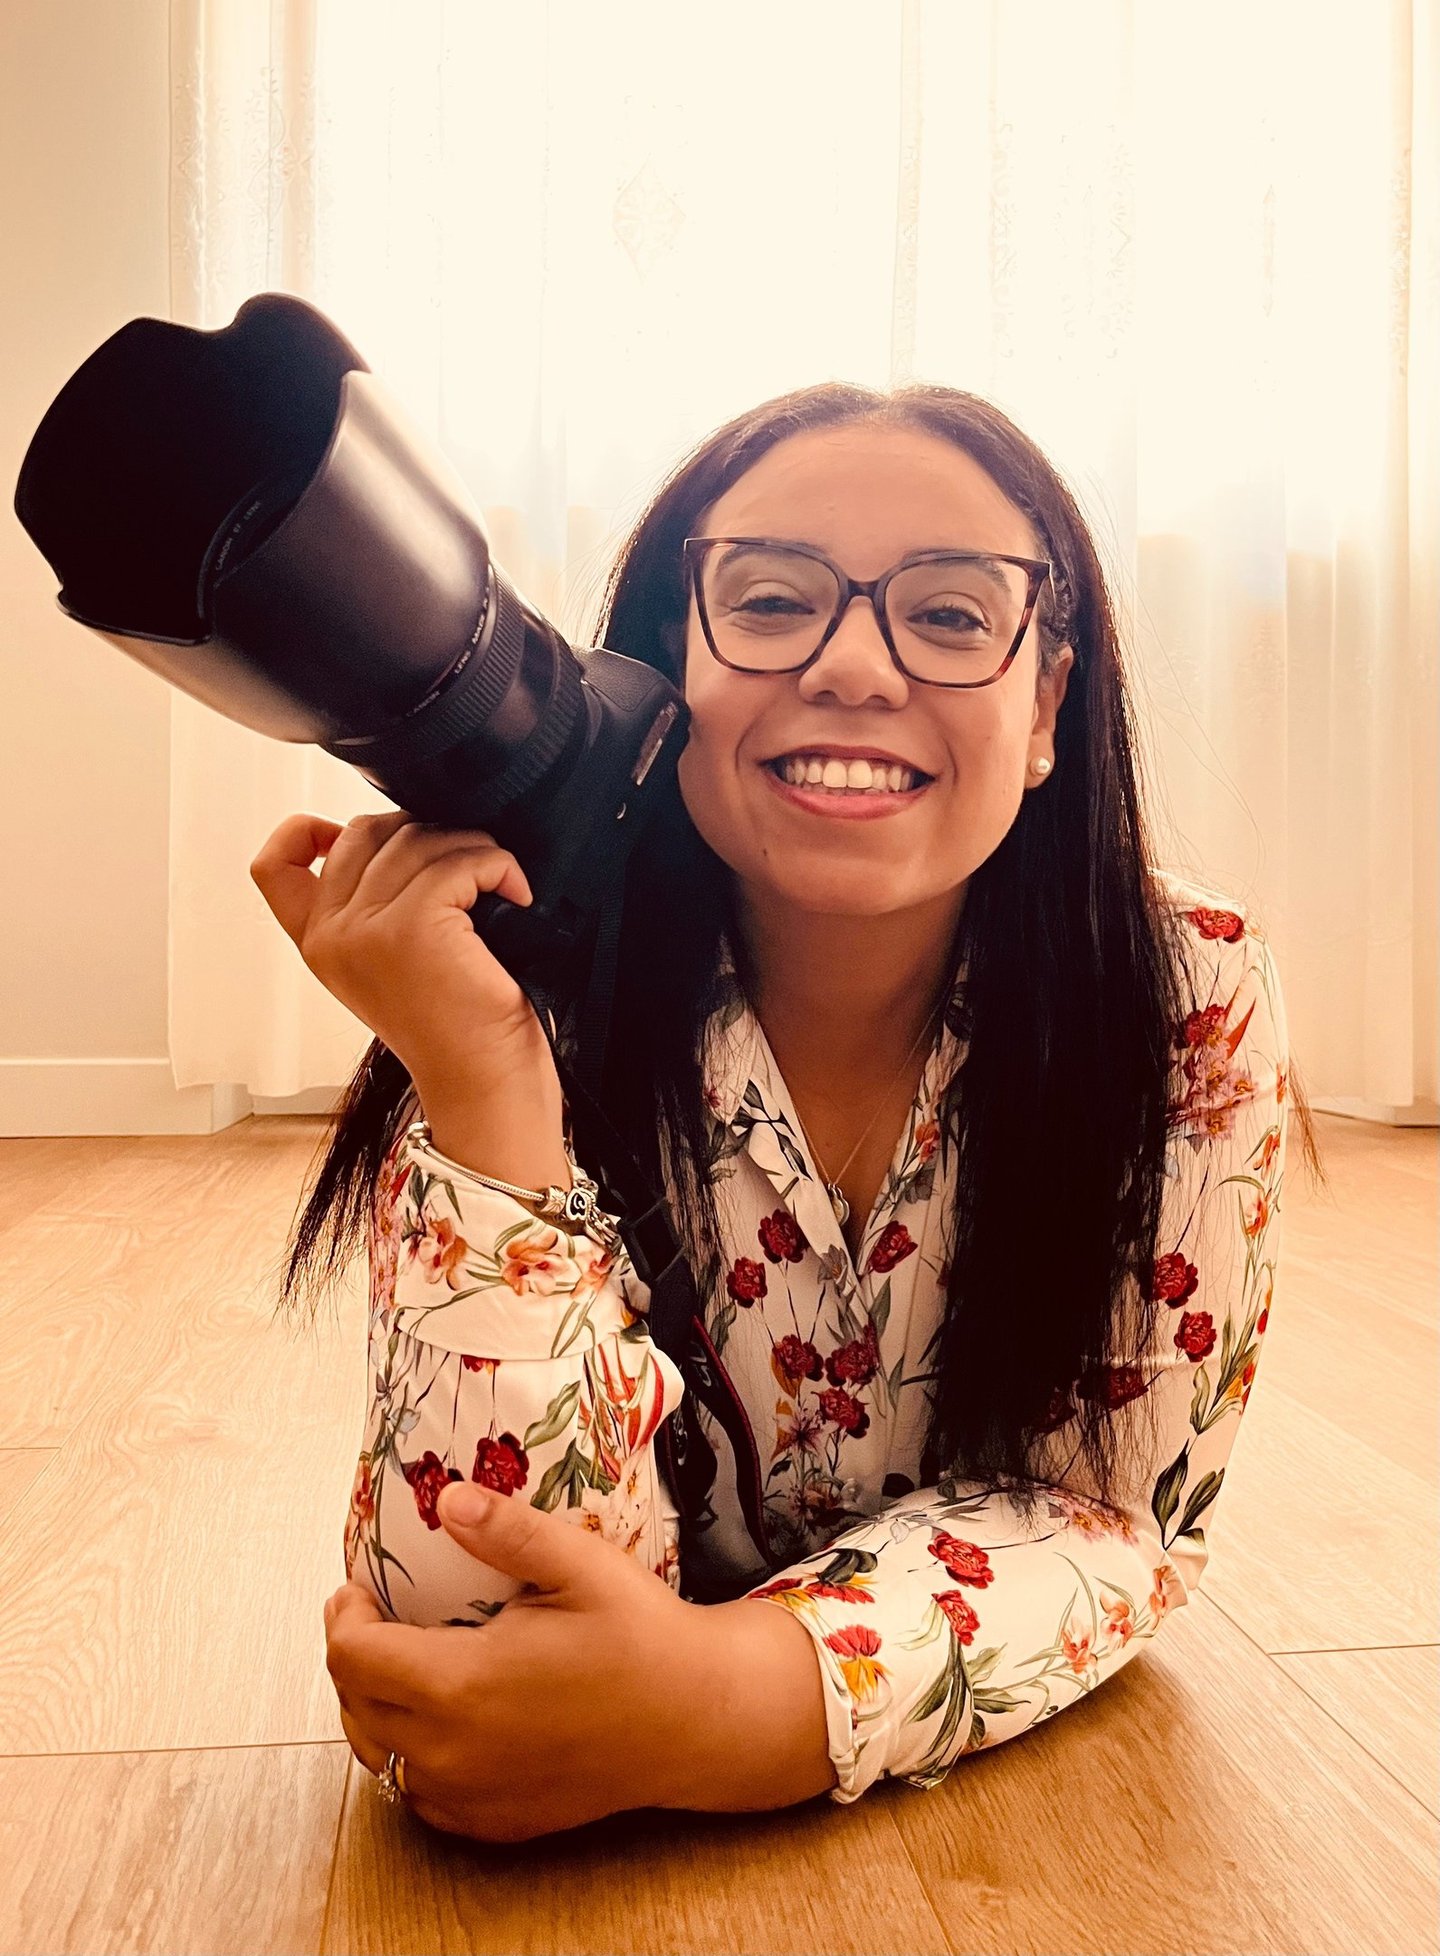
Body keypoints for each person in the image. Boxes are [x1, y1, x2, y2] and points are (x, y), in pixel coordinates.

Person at [251, 382, 1326, 1841]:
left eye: (950, 616)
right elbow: (466, 1634)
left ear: (1047, 709)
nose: (856, 668)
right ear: (661, 669)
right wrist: (481, 1077)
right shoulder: (529, 980)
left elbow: (1112, 1514)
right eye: (769, 600)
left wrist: (742, 1702)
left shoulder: (1186, 997)